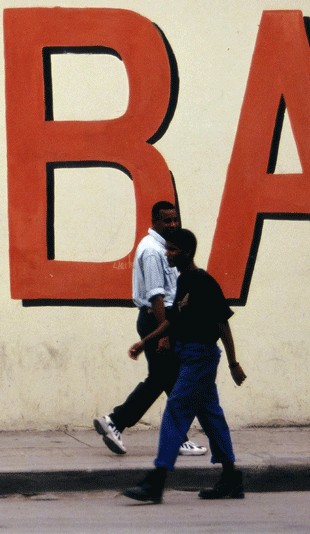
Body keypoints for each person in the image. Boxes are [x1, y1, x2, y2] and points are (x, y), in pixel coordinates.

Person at [122, 227, 247, 504]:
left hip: (200, 357)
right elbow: (174, 319)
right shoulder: (183, 281)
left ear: (186, 253)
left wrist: (233, 363)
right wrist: (146, 342)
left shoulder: (204, 282)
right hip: (187, 354)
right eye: (166, 248)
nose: (167, 253)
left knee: (176, 410)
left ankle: (157, 481)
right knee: (211, 415)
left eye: (172, 250)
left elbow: (222, 323)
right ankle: (231, 478)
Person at [93, 201, 206, 457]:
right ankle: (116, 420)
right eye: (167, 221)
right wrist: (163, 334)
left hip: (161, 320)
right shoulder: (154, 252)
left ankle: (174, 436)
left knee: (168, 379)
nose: (173, 225)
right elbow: (156, 296)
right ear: (154, 221)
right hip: (158, 319)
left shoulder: (161, 248)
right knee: (164, 379)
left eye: (175, 219)